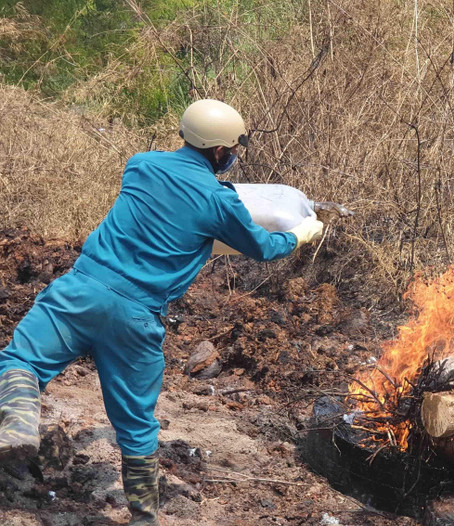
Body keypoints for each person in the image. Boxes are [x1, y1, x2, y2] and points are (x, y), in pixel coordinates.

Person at [0, 99, 324, 525]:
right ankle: (144, 518)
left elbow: (167, 216)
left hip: (79, 291)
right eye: (233, 150)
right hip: (134, 318)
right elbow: (262, 247)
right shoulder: (220, 202)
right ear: (222, 151)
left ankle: (18, 426)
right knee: (136, 427)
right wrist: (300, 234)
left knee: (20, 361)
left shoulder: (140, 165)